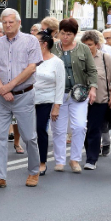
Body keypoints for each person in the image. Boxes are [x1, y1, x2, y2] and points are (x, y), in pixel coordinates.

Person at [0, 8, 42, 188]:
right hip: (2, 98)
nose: (8, 25)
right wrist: (2, 89)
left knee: (29, 137)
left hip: (23, 95)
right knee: (0, 137)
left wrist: (9, 87)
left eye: (11, 22)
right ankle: (0, 176)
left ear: (19, 23)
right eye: (5, 22)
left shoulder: (31, 40)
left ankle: (34, 171)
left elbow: (31, 67)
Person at [50, 18, 96, 173]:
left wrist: (93, 88)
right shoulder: (53, 48)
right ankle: (60, 160)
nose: (65, 37)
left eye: (69, 34)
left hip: (79, 94)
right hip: (57, 95)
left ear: (75, 35)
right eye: (62, 33)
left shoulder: (83, 49)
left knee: (79, 126)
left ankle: (75, 159)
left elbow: (92, 71)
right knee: (59, 129)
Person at [81, 30, 111, 170]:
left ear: (97, 45)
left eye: (90, 44)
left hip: (100, 101)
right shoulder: (79, 59)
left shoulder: (105, 58)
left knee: (94, 129)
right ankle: (91, 151)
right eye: (84, 44)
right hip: (81, 101)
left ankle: (91, 159)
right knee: (82, 129)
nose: (87, 47)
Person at [32, 30, 64, 176]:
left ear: (44, 44)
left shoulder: (56, 62)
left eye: (35, 41)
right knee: (29, 133)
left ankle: (42, 162)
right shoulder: (30, 59)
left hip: (45, 100)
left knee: (40, 129)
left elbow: (60, 85)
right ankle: (33, 159)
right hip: (28, 100)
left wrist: (56, 106)